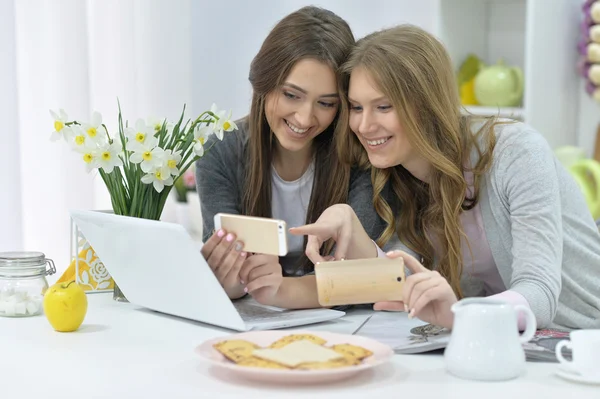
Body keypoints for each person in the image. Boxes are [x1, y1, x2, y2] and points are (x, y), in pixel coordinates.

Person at [290, 24, 600, 330]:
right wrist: (348, 226)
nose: (364, 125)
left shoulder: (516, 152)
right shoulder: (401, 172)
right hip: (510, 343)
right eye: (356, 107)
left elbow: (540, 294)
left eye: (383, 106)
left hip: (581, 336)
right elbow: (406, 283)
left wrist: (460, 314)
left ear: (427, 104)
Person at [195, 6, 387, 308]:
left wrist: (282, 289)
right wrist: (231, 279)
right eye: (291, 95)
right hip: (250, 326)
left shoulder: (360, 158)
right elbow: (226, 280)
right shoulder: (220, 151)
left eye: (326, 103)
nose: (305, 117)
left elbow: (357, 276)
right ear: (264, 81)